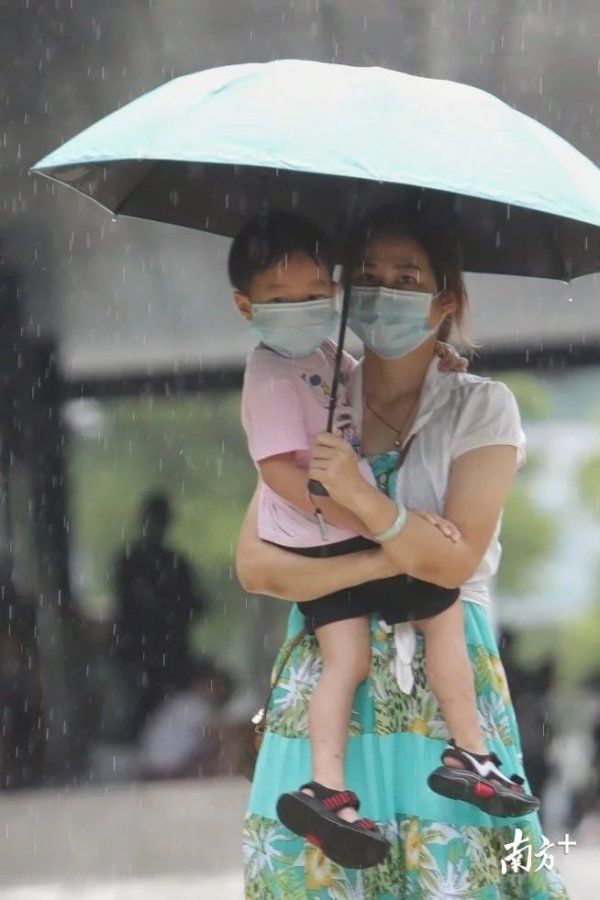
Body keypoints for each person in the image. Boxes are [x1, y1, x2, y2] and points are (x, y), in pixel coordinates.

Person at [236, 204, 568, 897]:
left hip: (446, 697)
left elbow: (452, 563)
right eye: (366, 275)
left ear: (444, 299)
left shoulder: (480, 408)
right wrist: (390, 554)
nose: (382, 290)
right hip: (332, 668)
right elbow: (259, 566)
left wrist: (366, 503)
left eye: (406, 276)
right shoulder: (316, 391)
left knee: (463, 870)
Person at [112, 492, 210, 738]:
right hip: (147, 650)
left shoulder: (168, 562)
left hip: (163, 650)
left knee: (164, 711)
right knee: (143, 708)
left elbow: (195, 605)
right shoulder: (136, 562)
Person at [137, 658, 235, 780]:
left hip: (155, 769)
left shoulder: (183, 702)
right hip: (162, 771)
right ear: (202, 683)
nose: (219, 692)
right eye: (216, 686)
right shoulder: (192, 703)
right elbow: (224, 733)